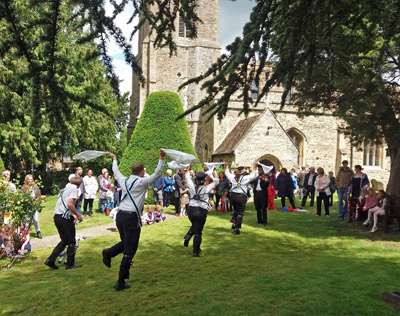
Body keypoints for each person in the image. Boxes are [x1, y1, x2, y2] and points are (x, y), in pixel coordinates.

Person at [102, 150, 165, 291]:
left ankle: (110, 253)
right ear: (142, 171)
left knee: (126, 244)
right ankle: (120, 281)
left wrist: (114, 159)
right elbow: (157, 173)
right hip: (131, 217)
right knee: (130, 250)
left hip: (120, 215)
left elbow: (115, 171)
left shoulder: (124, 180)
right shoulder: (143, 182)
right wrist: (161, 158)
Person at [44, 177, 83, 270]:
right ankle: (70, 264)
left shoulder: (63, 189)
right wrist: (77, 214)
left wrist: (71, 214)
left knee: (64, 241)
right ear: (79, 184)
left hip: (57, 216)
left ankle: (50, 260)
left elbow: (63, 204)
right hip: (65, 218)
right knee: (71, 241)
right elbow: (70, 204)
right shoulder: (74, 189)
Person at [183, 166, 218, 257]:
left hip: (191, 210)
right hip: (201, 210)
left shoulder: (191, 186)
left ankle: (188, 236)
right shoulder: (206, 188)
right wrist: (214, 171)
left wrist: (189, 168)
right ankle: (195, 252)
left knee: (195, 224)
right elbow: (216, 181)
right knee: (198, 232)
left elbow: (187, 176)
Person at [225, 162, 259, 235]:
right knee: (240, 212)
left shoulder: (232, 177)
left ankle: (234, 223)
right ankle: (237, 227)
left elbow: (227, 174)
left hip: (233, 196)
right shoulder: (245, 178)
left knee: (235, 210)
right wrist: (256, 167)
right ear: (243, 173)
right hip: (241, 196)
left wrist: (227, 166)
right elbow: (255, 175)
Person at [21, 174, 42, 239]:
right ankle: (26, 233)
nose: (30, 180)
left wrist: (36, 201)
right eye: (29, 179)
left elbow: (38, 195)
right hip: (27, 206)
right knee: (26, 220)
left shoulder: (35, 187)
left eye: (31, 179)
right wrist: (27, 201)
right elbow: (23, 196)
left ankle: (38, 232)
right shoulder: (24, 187)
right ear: (26, 180)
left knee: (35, 219)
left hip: (34, 205)